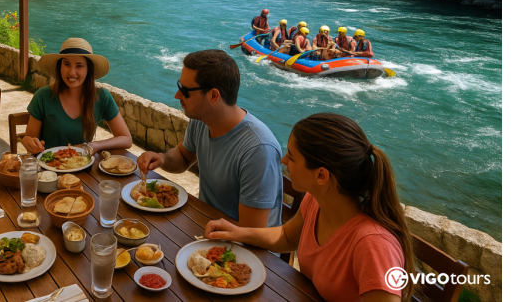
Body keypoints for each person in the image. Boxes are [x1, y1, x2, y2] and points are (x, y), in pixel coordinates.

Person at [204, 113, 414, 302]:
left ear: (321, 175)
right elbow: (287, 236)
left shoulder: (373, 244)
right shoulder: (316, 201)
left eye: (292, 157)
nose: (284, 160)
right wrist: (238, 232)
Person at [137, 50, 283, 228]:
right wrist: (162, 158)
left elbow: (252, 230)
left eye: (184, 90)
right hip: (204, 224)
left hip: (244, 247)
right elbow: (183, 157)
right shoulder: (203, 121)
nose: (177, 95)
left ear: (213, 96)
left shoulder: (258, 149)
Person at [21, 38, 132, 155]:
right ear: (60, 66)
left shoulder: (102, 97)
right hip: (48, 170)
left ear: (88, 70)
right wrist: (28, 141)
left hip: (84, 168)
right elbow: (30, 138)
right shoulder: (43, 96)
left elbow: (126, 139)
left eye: (79, 66)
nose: (71, 72)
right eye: (66, 64)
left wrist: (94, 145)